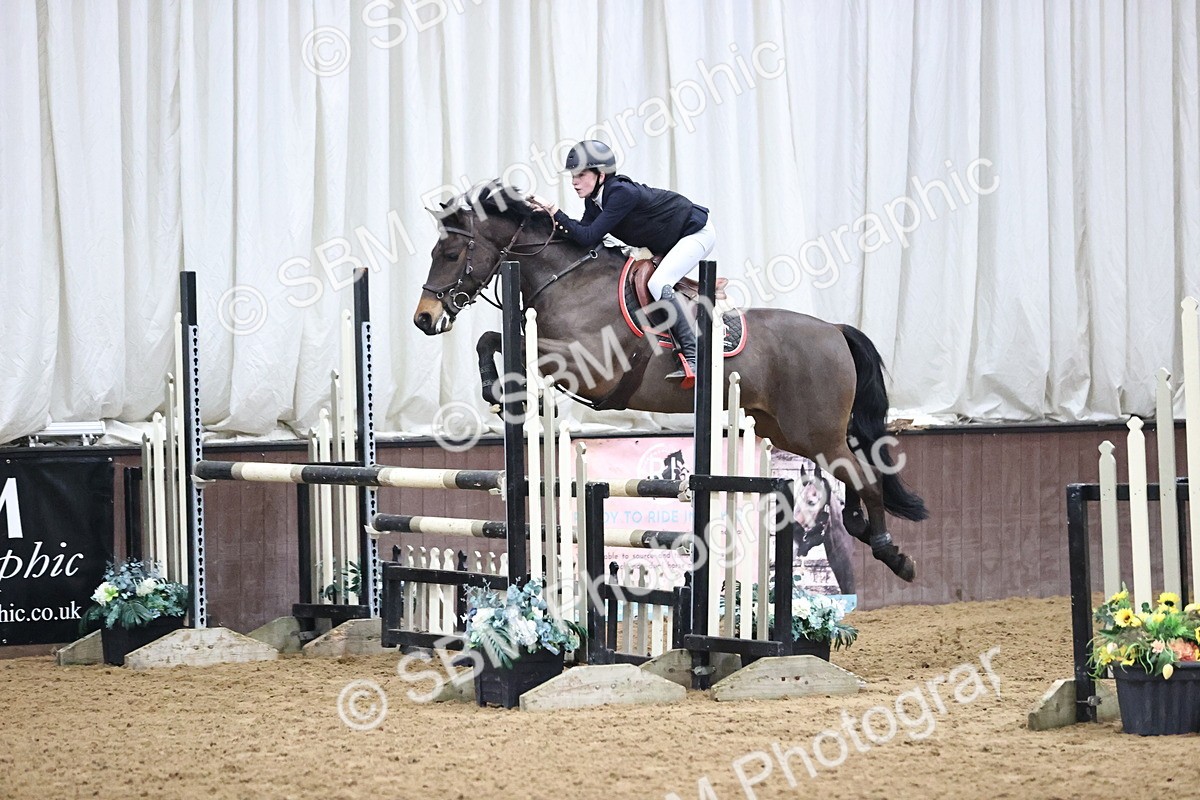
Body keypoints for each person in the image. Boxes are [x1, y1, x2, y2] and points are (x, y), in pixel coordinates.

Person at [526, 140, 715, 384]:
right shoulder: (594, 201)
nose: (574, 181)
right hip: (671, 239)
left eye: (581, 175)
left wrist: (555, 210)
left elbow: (587, 235)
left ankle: (692, 356)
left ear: (601, 175)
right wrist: (546, 219)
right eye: (573, 175)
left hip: (695, 232)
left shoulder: (621, 194)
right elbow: (583, 237)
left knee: (659, 283)